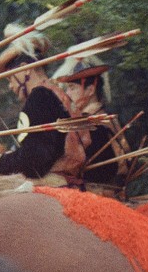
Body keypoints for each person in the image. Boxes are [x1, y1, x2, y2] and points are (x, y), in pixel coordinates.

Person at [0, 25, 101, 185]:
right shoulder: (57, 93)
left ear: (24, 69)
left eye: (10, 77)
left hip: (54, 183)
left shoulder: (39, 97)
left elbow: (35, 159)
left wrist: (1, 162)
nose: (10, 86)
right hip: (68, 181)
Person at [53, 57, 125, 185]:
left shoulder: (93, 124)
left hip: (100, 189)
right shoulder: (102, 117)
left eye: (72, 88)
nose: (67, 94)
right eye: (67, 88)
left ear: (90, 90)